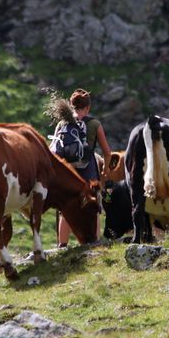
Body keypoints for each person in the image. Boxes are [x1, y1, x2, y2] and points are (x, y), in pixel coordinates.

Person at [54, 88, 112, 247]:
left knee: (66, 209)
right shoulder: (94, 124)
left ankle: (62, 245)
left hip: (68, 173)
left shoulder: (62, 123)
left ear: (71, 106)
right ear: (87, 107)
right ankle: (94, 243)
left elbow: (55, 149)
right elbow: (107, 152)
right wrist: (105, 170)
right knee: (93, 207)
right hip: (89, 172)